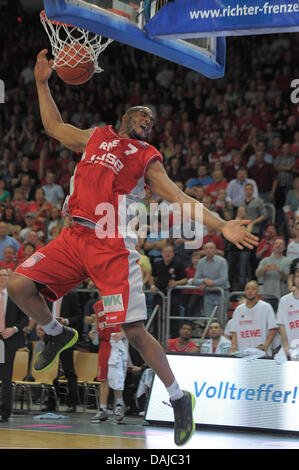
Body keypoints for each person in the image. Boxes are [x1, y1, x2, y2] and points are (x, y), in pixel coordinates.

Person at [8, 50, 258, 446]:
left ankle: (179, 399)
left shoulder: (146, 158)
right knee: (18, 286)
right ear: (125, 117)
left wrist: (222, 224)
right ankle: (56, 333)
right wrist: (42, 82)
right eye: (143, 116)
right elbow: (54, 126)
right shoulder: (95, 137)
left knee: (134, 331)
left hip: (111, 246)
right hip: (73, 237)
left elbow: (180, 199)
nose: (148, 122)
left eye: (153, 121)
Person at [89, 299, 126, 423]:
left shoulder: (119, 300)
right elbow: (97, 321)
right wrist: (93, 331)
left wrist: (123, 333)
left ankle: (119, 406)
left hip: (116, 342)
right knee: (103, 378)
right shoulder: (98, 305)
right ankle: (102, 409)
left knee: (117, 376)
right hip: (104, 344)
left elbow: (130, 321)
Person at [0, 268, 29, 422]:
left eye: (5, 275)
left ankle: (5, 411)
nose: (3, 278)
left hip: (9, 340)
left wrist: (14, 329)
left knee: (6, 377)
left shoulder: (15, 295)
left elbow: (26, 316)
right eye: (0, 275)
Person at [229, 281, 277, 356]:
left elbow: (273, 329)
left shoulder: (266, 307)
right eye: (247, 289)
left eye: (253, 289)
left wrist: (266, 346)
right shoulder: (238, 309)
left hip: (261, 353)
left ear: (258, 291)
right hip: (243, 352)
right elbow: (234, 331)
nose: (250, 291)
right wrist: (233, 346)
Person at [187, 242, 230, 318]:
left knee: (222, 319)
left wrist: (211, 283)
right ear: (203, 251)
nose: (209, 250)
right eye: (206, 248)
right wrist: (204, 281)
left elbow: (223, 279)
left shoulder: (222, 261)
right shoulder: (201, 262)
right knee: (208, 319)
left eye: (211, 248)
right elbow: (196, 279)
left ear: (215, 250)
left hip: (222, 293)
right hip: (208, 294)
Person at [276, 266, 299, 357]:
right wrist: (285, 345)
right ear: (293, 279)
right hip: (290, 347)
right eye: (297, 276)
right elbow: (281, 325)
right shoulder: (284, 300)